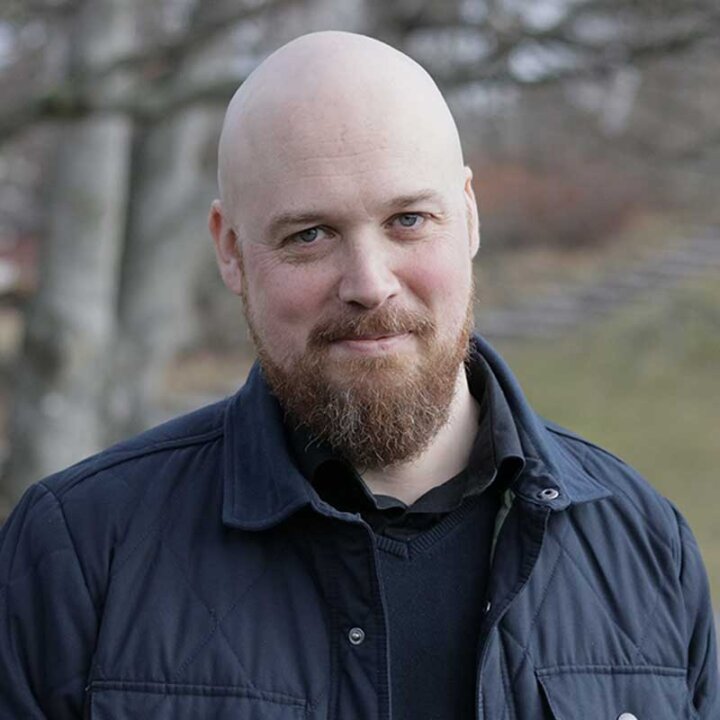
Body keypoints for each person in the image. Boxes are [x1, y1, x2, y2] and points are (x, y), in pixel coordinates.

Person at [0, 31, 717, 720]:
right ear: (231, 251)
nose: (370, 285)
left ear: (468, 218)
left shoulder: (644, 545)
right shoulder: (79, 552)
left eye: (408, 220)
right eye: (309, 235)